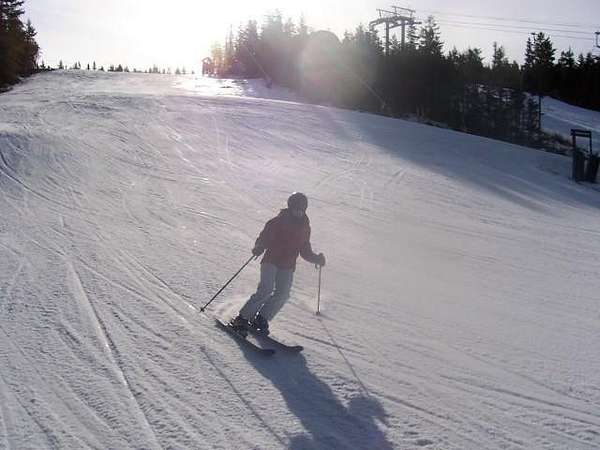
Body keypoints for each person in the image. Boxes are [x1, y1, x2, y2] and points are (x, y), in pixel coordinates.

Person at [230, 192, 325, 336]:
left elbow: (305, 250)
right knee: (266, 289)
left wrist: (316, 259)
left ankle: (261, 318)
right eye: (296, 208)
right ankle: (242, 319)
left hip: (288, 265)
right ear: (290, 207)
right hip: (271, 260)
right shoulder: (278, 221)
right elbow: (264, 237)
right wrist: (259, 246)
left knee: (283, 294)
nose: (299, 212)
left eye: (302, 209)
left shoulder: (305, 228)